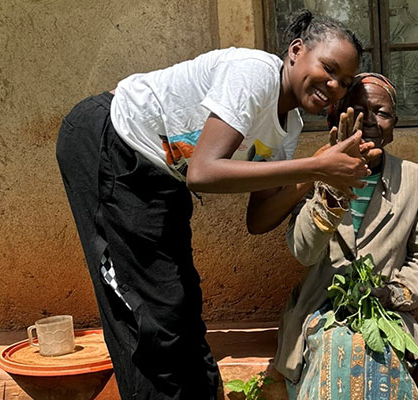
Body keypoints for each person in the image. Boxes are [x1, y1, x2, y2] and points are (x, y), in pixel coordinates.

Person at [55, 10, 371, 399]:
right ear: (296, 50)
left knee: (182, 306)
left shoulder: (288, 128)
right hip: (113, 144)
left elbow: (258, 219)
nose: (335, 86)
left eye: (344, 82)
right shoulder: (255, 73)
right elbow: (202, 172)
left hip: (162, 175)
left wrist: (312, 175)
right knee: (147, 316)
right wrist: (316, 165)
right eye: (329, 68)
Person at [275, 73, 418, 399]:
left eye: (382, 113)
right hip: (318, 312)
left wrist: (389, 294)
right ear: (335, 117)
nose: (368, 121)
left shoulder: (417, 181)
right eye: (356, 110)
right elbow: (304, 252)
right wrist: (334, 184)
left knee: (369, 344)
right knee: (342, 343)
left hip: (389, 314)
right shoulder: (314, 170)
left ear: (394, 125)